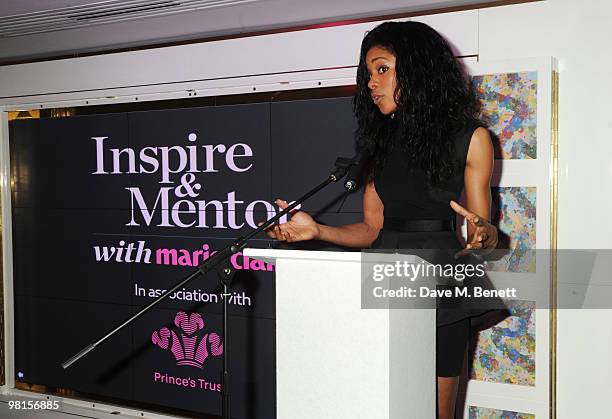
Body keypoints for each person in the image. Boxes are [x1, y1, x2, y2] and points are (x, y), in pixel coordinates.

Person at [264, 21, 507, 419]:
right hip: (383, 277)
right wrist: (317, 230)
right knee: (375, 399)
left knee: (435, 411)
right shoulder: (378, 143)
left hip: (443, 284)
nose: (371, 83)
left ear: (416, 69)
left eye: (382, 69)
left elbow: (483, 228)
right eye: (368, 74)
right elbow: (372, 228)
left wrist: (485, 235)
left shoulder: (471, 137)